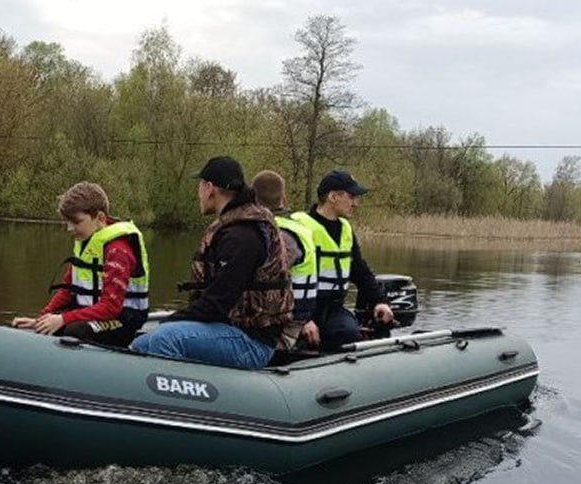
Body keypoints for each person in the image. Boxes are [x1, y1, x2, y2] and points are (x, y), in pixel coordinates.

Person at [131, 156, 292, 369]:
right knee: (141, 343)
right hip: (229, 329)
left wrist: (170, 322)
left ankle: (180, 400)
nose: (199, 192)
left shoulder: (242, 236)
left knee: (164, 339)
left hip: (251, 341)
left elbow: (217, 303)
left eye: (200, 185)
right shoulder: (235, 227)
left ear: (209, 188)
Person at [12, 181, 150, 347]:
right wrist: (42, 318)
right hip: (93, 312)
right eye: (67, 222)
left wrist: (62, 319)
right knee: (51, 324)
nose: (69, 228)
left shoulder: (117, 251)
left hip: (121, 320)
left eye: (76, 222)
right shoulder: (87, 243)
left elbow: (111, 308)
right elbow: (67, 290)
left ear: (99, 218)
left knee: (74, 331)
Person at [289, 170, 394, 351]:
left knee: (348, 334)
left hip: (333, 309)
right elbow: (282, 277)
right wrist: (302, 319)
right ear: (333, 196)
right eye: (351, 196)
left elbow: (360, 271)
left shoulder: (346, 229)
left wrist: (380, 301)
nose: (356, 203)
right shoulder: (299, 227)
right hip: (299, 309)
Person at [250, 170, 318, 351]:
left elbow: (265, 278)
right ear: (284, 198)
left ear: (252, 198)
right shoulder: (295, 229)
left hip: (284, 329)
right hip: (295, 318)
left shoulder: (277, 234)